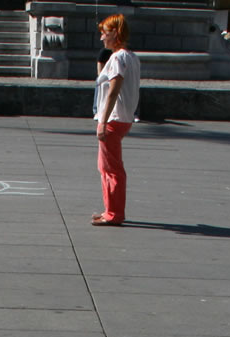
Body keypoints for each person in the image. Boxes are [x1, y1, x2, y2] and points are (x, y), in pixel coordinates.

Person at [92, 13, 138, 228]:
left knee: (111, 169)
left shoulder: (119, 58)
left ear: (115, 33)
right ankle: (110, 210)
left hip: (113, 118)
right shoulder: (130, 56)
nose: (102, 37)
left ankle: (114, 213)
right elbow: (103, 82)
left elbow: (112, 90)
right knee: (107, 167)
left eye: (105, 32)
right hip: (123, 118)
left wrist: (102, 120)